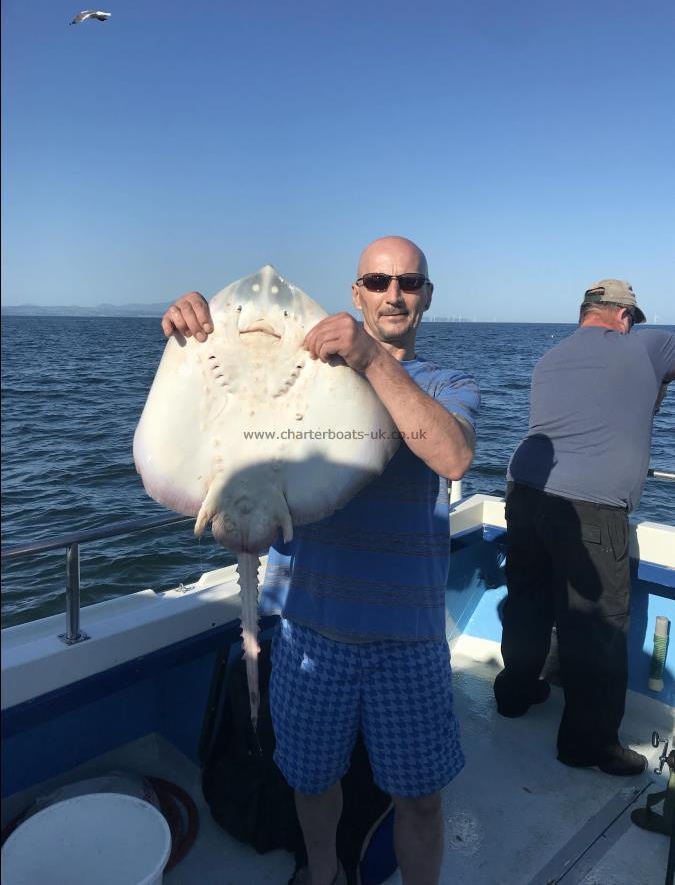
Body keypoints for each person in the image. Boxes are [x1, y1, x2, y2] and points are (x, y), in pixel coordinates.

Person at [161, 236, 480, 885]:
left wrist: (369, 360)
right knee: (310, 783)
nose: (395, 294)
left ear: (426, 297)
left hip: (408, 640)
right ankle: (325, 874)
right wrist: (193, 340)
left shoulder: (447, 383)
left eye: (409, 283)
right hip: (309, 631)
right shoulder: (302, 370)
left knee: (419, 796)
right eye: (379, 281)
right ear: (356, 293)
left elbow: (451, 457)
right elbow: (234, 426)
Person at [494, 279, 675, 776]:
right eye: (632, 319)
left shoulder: (550, 358)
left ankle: (516, 693)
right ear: (622, 315)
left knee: (528, 600)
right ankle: (587, 744)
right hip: (590, 507)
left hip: (525, 492)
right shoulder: (645, 343)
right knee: (596, 627)